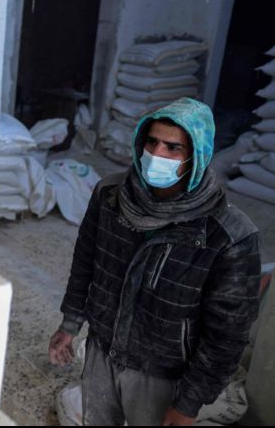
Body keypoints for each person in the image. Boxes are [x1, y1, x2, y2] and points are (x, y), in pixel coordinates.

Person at [48, 98, 261, 426]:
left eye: (173, 147)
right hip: (102, 351)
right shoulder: (110, 195)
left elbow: (227, 335)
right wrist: (71, 321)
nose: (157, 155)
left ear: (196, 156)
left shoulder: (229, 236)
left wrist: (189, 403)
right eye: (152, 142)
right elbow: (86, 261)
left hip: (163, 375)